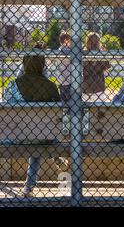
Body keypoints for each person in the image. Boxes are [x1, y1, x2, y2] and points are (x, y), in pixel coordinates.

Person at [4, 55, 61, 197]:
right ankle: (29, 186)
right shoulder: (51, 86)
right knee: (38, 134)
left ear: (24, 65)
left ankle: (29, 187)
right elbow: (59, 116)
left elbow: (6, 111)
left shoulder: (13, 84)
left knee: (29, 132)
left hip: (17, 136)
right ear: (43, 65)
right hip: (45, 137)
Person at [82, 33, 110, 102]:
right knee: (98, 109)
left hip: (86, 87)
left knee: (87, 110)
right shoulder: (101, 53)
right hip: (99, 87)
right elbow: (107, 67)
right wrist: (105, 54)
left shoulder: (83, 53)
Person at [57, 31, 72, 101]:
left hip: (62, 80)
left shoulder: (59, 50)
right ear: (66, 41)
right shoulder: (68, 50)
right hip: (69, 81)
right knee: (72, 100)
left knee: (64, 101)